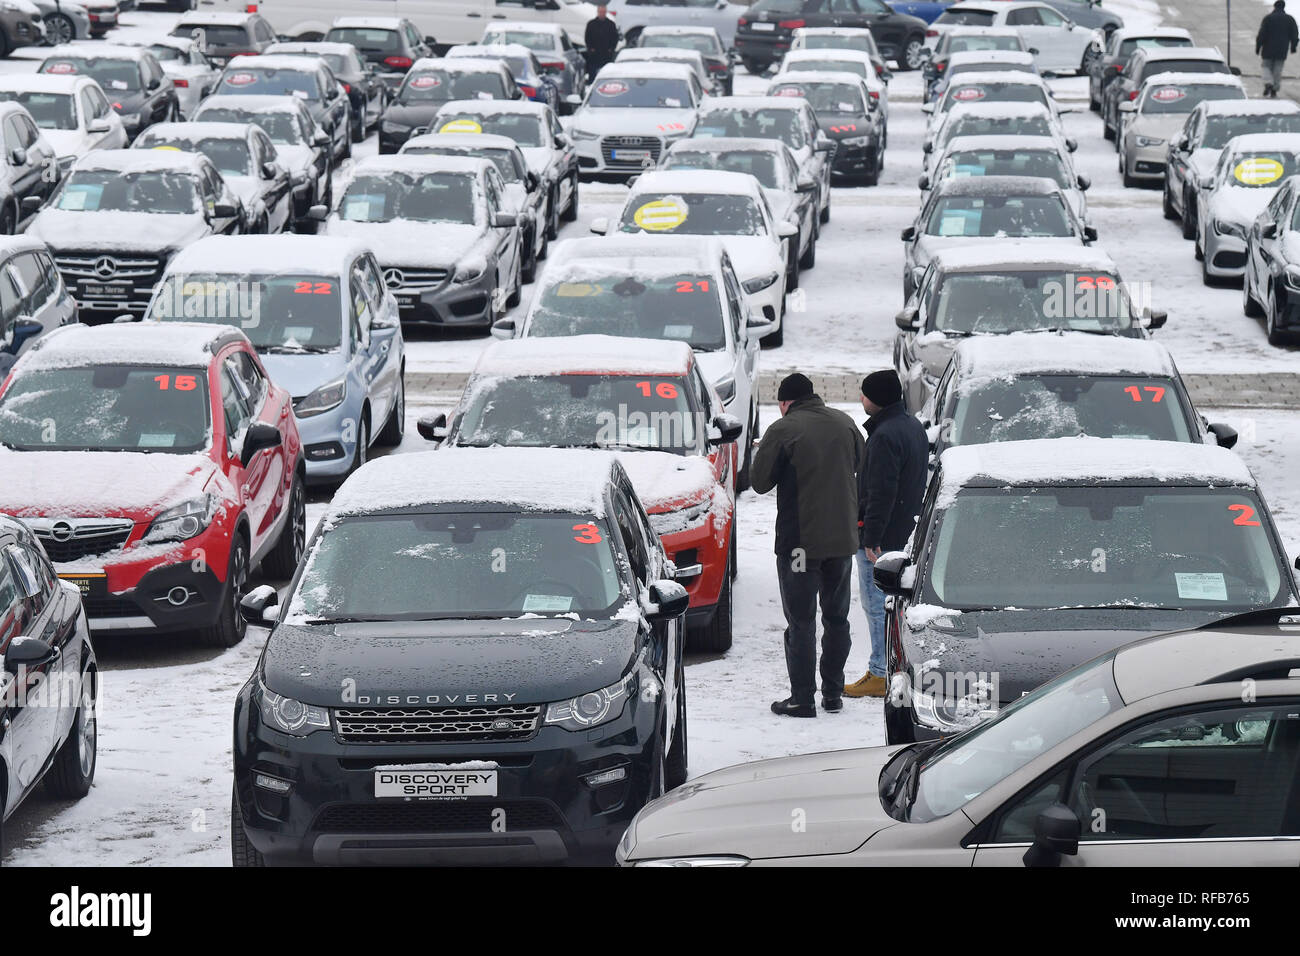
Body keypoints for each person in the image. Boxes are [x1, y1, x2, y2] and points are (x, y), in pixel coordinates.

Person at [751, 372, 866, 717]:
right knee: (837, 618)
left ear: (785, 403)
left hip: (800, 546)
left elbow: (758, 482)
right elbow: (859, 462)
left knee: (801, 621)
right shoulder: (845, 423)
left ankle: (802, 698)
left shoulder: (784, 430)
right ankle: (833, 693)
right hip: (842, 543)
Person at [844, 370, 929, 699]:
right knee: (896, 607)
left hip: (881, 539)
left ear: (877, 398)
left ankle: (881, 671)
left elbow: (880, 492)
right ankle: (895, 668)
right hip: (904, 531)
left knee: (876, 606)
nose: (860, 400)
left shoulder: (883, 437)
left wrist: (870, 537)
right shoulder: (911, 427)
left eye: (864, 394)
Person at [1258, 0, 1299, 97]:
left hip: (1268, 48)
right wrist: (1293, 46)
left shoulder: (1268, 18)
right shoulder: (1290, 19)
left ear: (1274, 6)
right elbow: (1294, 34)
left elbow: (1262, 34)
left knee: (1265, 67)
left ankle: (1268, 83)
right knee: (1278, 70)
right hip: (1282, 49)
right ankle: (1274, 89)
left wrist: (1258, 46)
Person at [584, 4, 620, 83]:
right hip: (594, 55)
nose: (602, 14)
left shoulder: (611, 24)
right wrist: (591, 49)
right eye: (600, 12)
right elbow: (587, 38)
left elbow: (615, 38)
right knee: (592, 75)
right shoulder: (591, 24)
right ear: (597, 12)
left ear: (606, 12)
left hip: (606, 54)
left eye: (603, 12)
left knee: (607, 75)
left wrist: (611, 49)